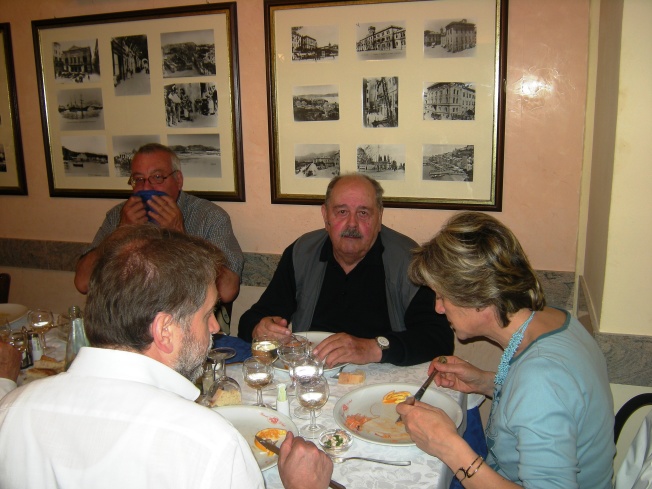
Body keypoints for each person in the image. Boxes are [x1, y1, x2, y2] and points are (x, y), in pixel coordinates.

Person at [0, 225, 332, 489]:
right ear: (165, 331)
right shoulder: (209, 443)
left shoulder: (11, 410)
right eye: (207, 314)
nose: (216, 327)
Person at [397, 211, 615, 489]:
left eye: (442, 296)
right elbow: (548, 402)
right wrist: (487, 382)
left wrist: (449, 448)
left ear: (477, 295)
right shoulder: (554, 320)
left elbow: (542, 390)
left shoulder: (542, 378)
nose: (438, 308)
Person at [238, 173, 453, 367]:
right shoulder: (302, 253)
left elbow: (438, 339)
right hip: (314, 375)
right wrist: (260, 329)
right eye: (342, 212)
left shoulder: (408, 260)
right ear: (326, 216)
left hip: (382, 379)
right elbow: (251, 320)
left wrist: (371, 348)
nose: (352, 224)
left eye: (363, 213)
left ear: (379, 217)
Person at [74, 143, 243, 310]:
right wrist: (121, 232)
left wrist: (180, 236)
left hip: (183, 317)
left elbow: (227, 291)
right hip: (128, 316)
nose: (146, 187)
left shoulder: (209, 217)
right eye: (139, 179)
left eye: (157, 177)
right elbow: (83, 282)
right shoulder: (119, 215)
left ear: (178, 180)